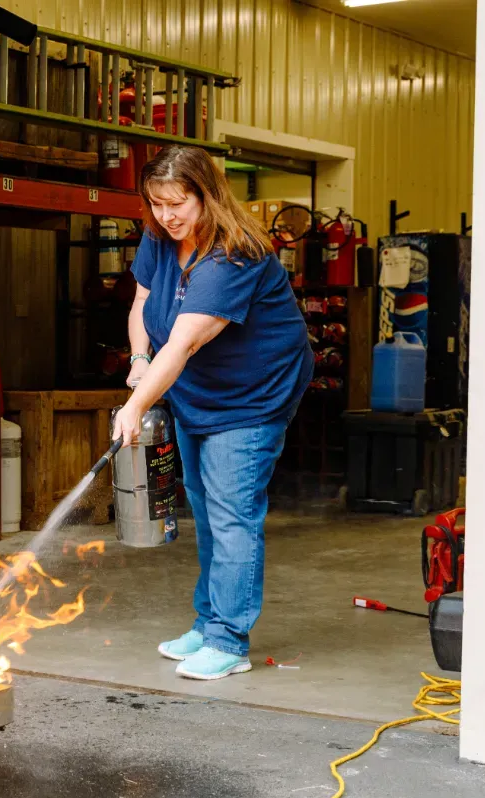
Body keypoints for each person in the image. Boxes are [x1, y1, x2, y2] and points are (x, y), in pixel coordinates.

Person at [111, 145, 312, 680]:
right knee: (204, 507)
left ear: (207, 195)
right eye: (156, 203)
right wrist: (137, 360)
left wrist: (135, 405)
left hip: (251, 395)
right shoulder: (161, 239)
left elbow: (182, 344)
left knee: (232, 512)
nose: (166, 215)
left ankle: (229, 640)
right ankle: (208, 622)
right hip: (197, 391)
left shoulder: (232, 255)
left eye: (178, 203)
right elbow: (141, 305)